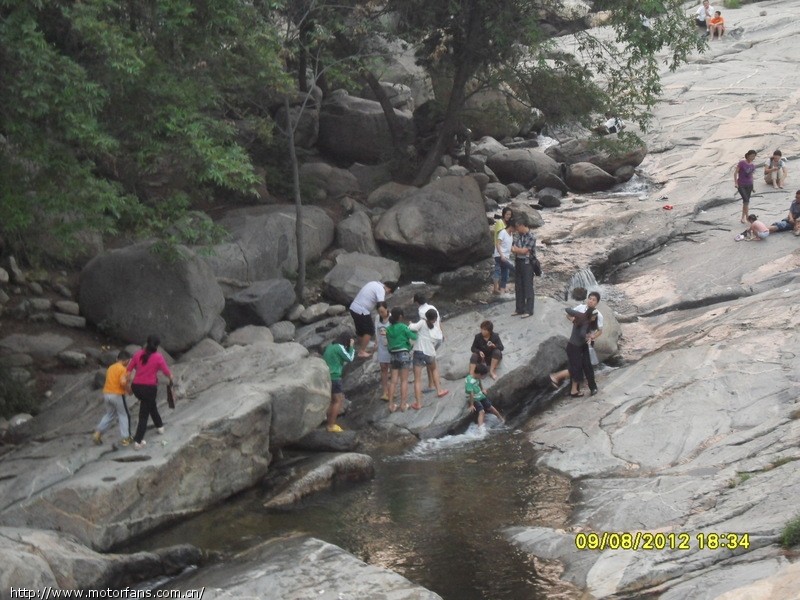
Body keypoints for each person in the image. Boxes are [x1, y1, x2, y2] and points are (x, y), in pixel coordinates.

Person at [549, 290, 604, 395]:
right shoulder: (580, 309)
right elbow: (569, 314)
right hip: (577, 343)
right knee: (576, 367)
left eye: (594, 300)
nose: (591, 301)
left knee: (587, 366)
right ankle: (571, 387)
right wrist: (574, 319)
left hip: (587, 343)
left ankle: (591, 388)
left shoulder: (598, 315)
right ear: (587, 299)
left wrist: (592, 336)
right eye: (590, 299)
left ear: (597, 303)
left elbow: (600, 331)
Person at [126, 335, 173, 451]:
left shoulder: (137, 354)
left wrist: (128, 383)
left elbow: (128, 369)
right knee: (143, 415)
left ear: (146, 343)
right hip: (149, 388)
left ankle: (160, 426)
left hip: (136, 387)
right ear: (157, 346)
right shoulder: (158, 357)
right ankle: (138, 441)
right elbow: (166, 371)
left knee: (151, 405)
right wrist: (171, 378)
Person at [409, 308, 450, 409]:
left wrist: (410, 323)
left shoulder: (422, 322)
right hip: (430, 353)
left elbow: (412, 328)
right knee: (434, 369)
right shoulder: (436, 329)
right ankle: (439, 390)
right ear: (435, 319)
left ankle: (418, 403)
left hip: (418, 352)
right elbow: (439, 339)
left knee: (417, 380)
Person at [92, 350, 132, 446]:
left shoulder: (110, 367)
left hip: (107, 394)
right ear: (126, 361)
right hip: (117, 395)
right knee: (124, 415)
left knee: (109, 414)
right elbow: (122, 382)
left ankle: (98, 433)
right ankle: (125, 438)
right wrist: (129, 390)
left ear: (117, 359)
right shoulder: (123, 369)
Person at [348, 281, 397, 358]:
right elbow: (381, 305)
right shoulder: (381, 289)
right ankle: (362, 351)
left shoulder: (374, 283)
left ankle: (363, 347)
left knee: (361, 330)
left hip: (354, 307)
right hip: (362, 310)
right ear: (389, 289)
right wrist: (387, 315)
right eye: (388, 293)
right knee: (369, 331)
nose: (386, 294)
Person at [322, 331, 355, 432]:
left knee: (332, 401)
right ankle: (331, 425)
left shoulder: (330, 347)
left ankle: (328, 423)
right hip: (335, 377)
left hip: (327, 376)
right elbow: (350, 358)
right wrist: (351, 347)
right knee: (338, 401)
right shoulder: (339, 347)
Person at [385, 307, 417, 413]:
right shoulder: (403, 327)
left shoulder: (388, 329)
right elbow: (413, 337)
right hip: (403, 353)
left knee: (393, 381)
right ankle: (403, 405)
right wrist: (414, 329)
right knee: (404, 380)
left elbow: (389, 343)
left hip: (393, 355)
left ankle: (391, 405)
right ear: (400, 316)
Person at [413, 293, 445, 391]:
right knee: (432, 360)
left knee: (429, 361)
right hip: (438, 336)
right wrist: (443, 334)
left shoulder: (421, 311)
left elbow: (424, 326)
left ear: (417, 302)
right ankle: (436, 381)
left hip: (431, 339)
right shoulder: (432, 307)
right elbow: (438, 321)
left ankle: (431, 384)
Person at [511, 216, 537, 318]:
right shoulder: (518, 235)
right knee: (518, 286)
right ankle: (519, 309)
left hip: (528, 263)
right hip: (518, 262)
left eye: (518, 227)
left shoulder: (531, 236)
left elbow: (525, 251)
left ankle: (529, 310)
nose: (517, 229)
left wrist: (518, 250)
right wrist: (518, 250)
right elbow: (512, 248)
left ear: (522, 225)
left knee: (528, 286)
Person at [734, 150, 757, 223]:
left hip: (749, 185)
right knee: (746, 200)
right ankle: (747, 217)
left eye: (754, 156)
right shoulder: (742, 163)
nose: (752, 157)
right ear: (747, 155)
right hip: (741, 184)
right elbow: (736, 173)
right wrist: (735, 183)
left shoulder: (753, 165)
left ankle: (743, 217)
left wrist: (753, 186)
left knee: (746, 202)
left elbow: (751, 176)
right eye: (751, 156)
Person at [493, 218, 515, 296]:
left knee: (505, 274)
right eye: (514, 228)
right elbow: (498, 244)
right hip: (499, 256)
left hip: (506, 257)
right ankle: (496, 289)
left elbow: (510, 247)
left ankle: (502, 292)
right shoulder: (503, 232)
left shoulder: (511, 234)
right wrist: (502, 255)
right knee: (511, 268)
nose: (515, 230)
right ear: (511, 226)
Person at [374, 301, 391, 401]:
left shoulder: (392, 317)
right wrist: (376, 342)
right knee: (383, 368)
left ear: (386, 309)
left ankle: (392, 390)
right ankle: (385, 391)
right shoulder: (377, 318)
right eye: (379, 312)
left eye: (383, 311)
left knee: (393, 369)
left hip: (391, 346)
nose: (381, 314)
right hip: (381, 346)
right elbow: (376, 331)